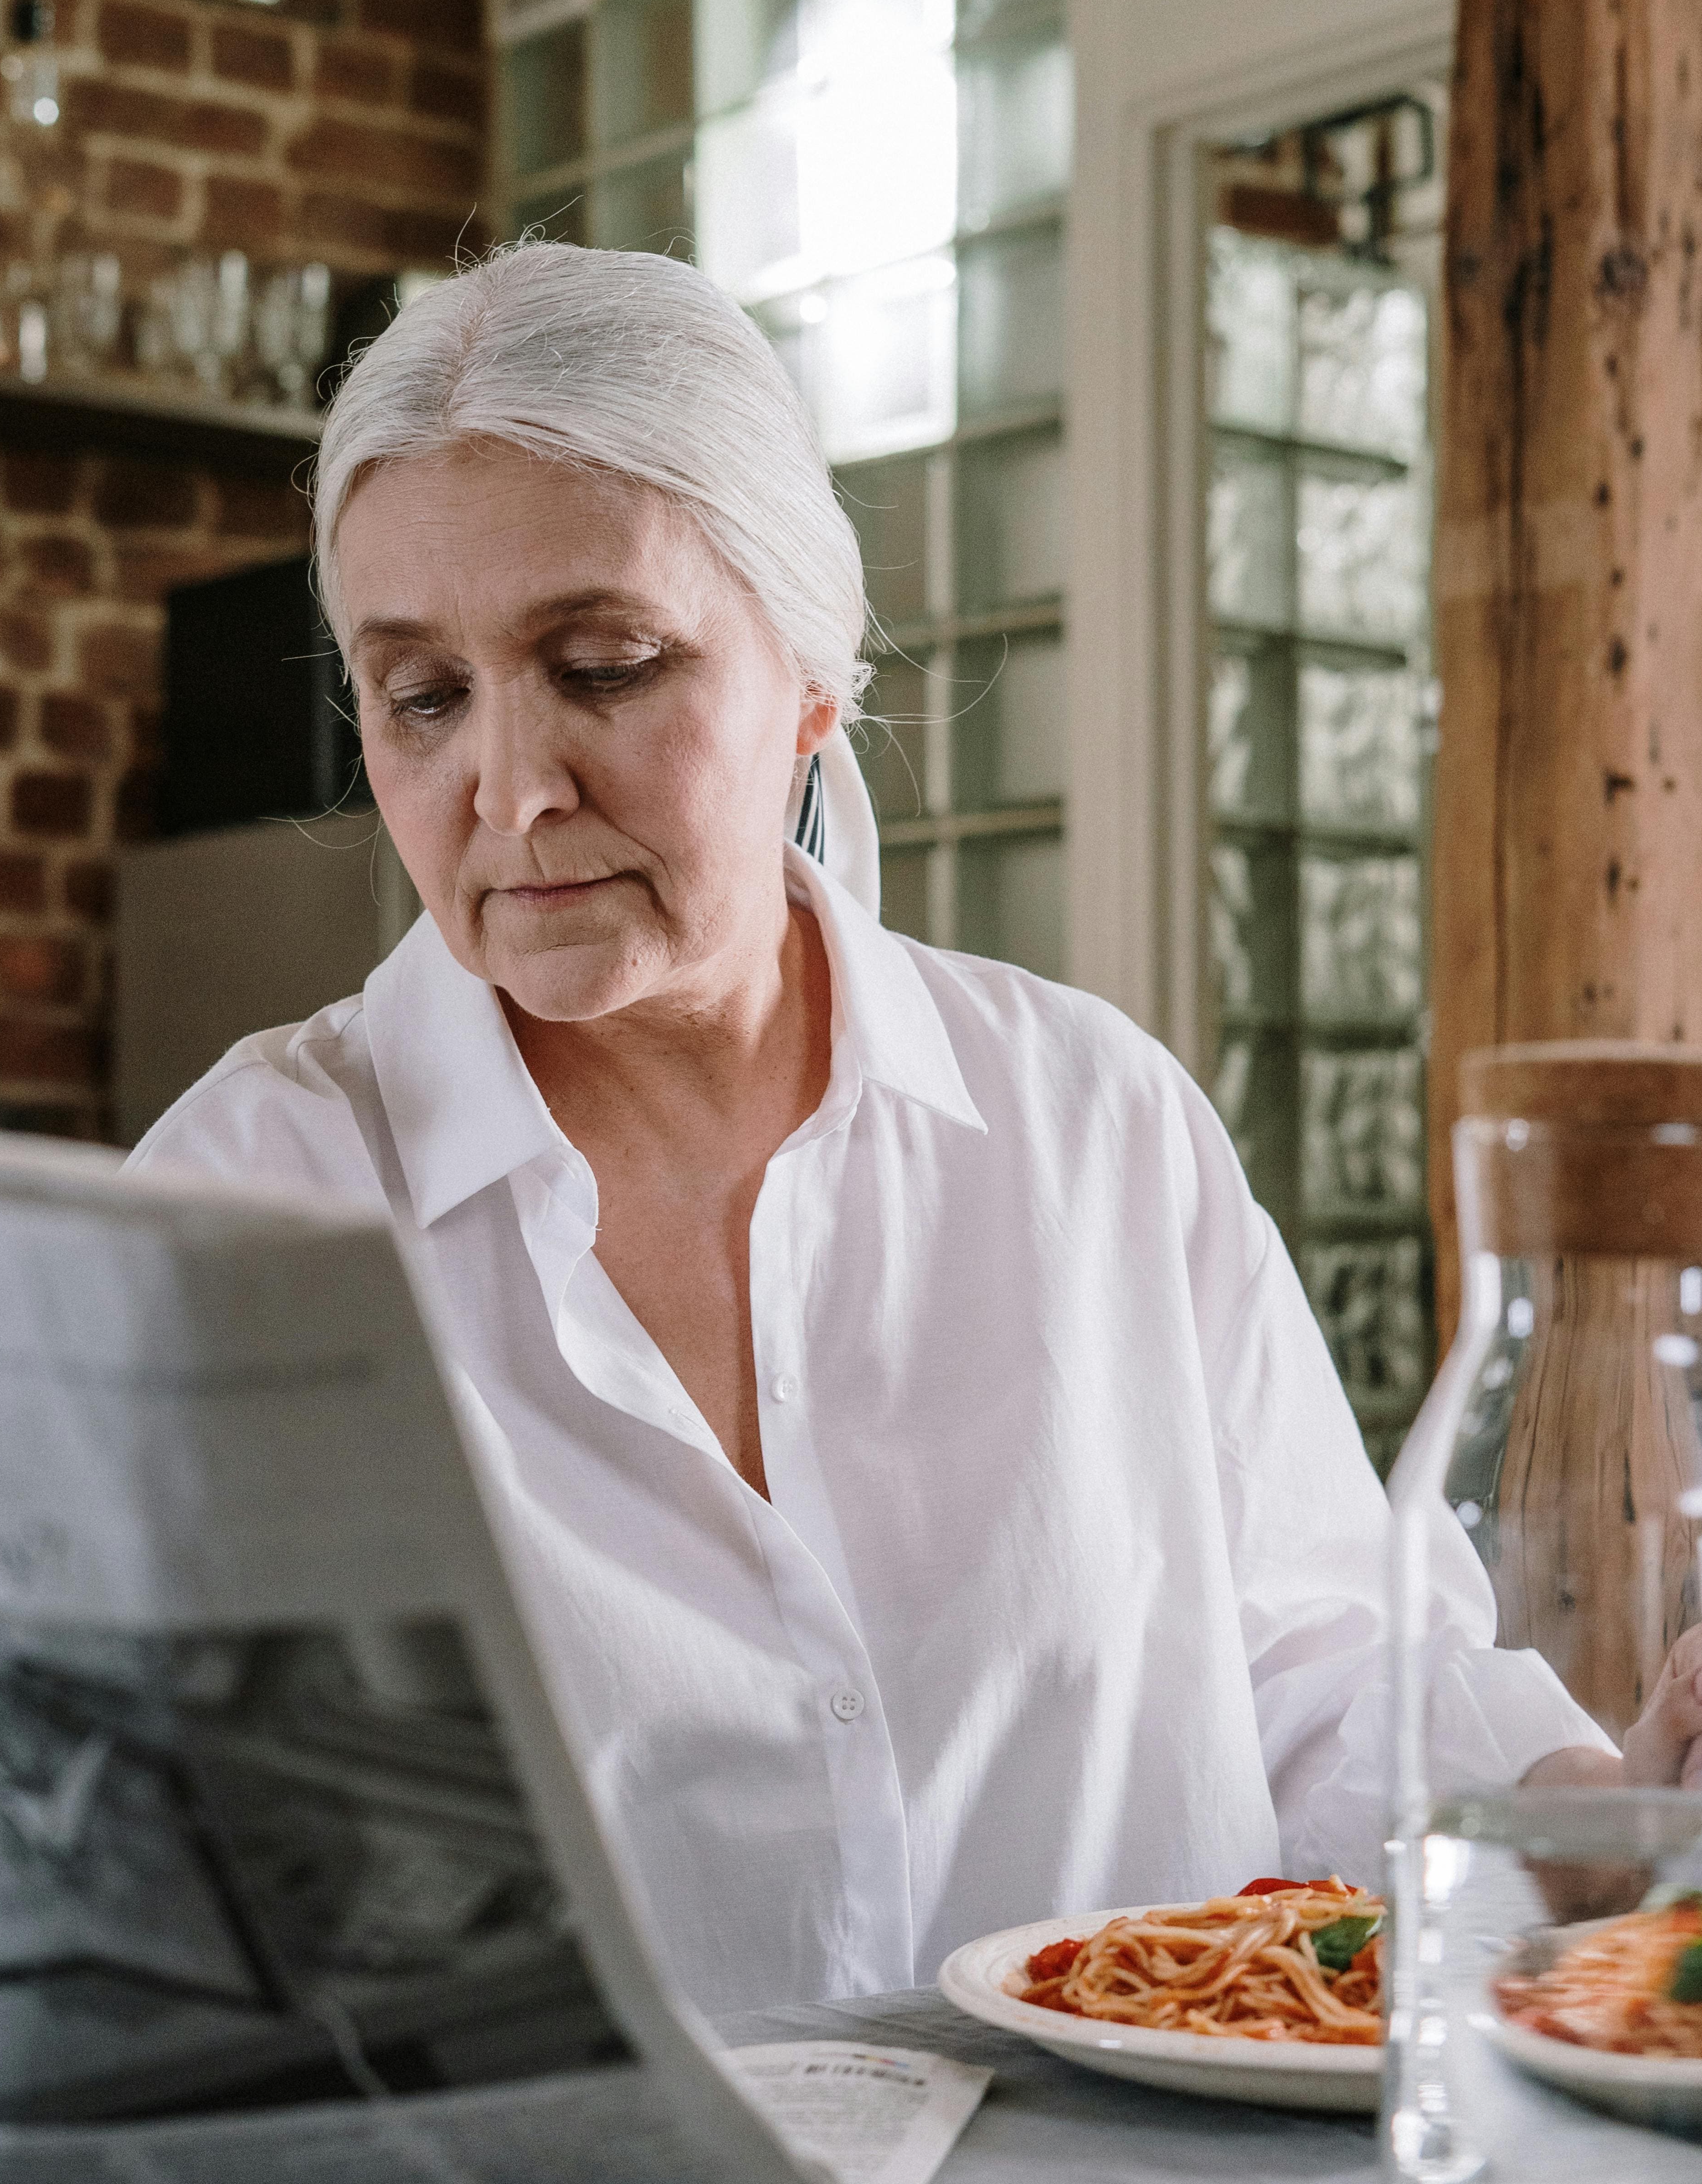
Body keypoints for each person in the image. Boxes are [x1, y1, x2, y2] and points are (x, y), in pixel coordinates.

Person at [126, 242, 1696, 2017]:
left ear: (812, 673)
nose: (510, 787)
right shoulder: (237, 1210)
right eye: (422, 695)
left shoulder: (1097, 1131)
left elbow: (1332, 1680)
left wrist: (1613, 1813)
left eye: (604, 664)